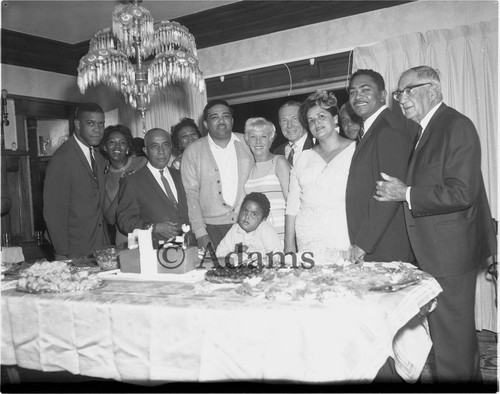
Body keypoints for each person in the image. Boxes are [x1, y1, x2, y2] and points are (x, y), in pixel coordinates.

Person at [374, 65, 497, 384]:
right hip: (439, 255)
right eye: (398, 93)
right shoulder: (429, 129)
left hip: (450, 258)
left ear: (433, 89)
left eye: (406, 90)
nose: (400, 99)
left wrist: (407, 192)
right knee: (452, 345)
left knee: (452, 349)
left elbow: (462, 192)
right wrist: (404, 191)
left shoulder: (455, 125)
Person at [346, 69, 413, 263]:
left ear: (382, 95)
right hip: (377, 242)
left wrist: (363, 243)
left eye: (365, 90)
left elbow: (389, 193)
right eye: (352, 92)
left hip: (386, 245)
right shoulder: (373, 129)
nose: (358, 96)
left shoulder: (388, 130)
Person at [284, 91, 355, 264]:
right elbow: (292, 204)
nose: (317, 123)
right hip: (308, 237)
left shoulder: (356, 151)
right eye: (311, 120)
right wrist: (288, 244)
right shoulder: (302, 157)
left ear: (335, 119)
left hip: (343, 233)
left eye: (322, 116)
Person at [181, 99, 254, 251]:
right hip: (212, 230)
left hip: (248, 226)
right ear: (206, 124)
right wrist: (200, 232)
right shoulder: (193, 151)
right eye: (214, 117)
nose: (221, 120)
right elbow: (191, 195)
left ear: (232, 121)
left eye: (226, 116)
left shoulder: (248, 143)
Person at [43, 102, 110, 258]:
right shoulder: (62, 158)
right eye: (91, 124)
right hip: (73, 250)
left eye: (101, 124)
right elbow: (54, 212)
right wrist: (62, 253)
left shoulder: (97, 155)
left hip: (100, 246)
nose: (98, 130)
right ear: (78, 124)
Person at [117, 128, 193, 247]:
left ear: (171, 148)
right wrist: (154, 227)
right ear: (145, 150)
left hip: (188, 247)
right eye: (154, 146)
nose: (161, 151)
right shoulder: (132, 181)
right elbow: (124, 221)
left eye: (165, 145)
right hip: (153, 251)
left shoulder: (182, 176)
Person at [100, 125, 147, 248]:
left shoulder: (143, 163)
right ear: (105, 147)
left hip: (150, 229)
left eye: (122, 142)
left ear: (127, 147)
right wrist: (124, 185)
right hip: (125, 236)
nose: (117, 147)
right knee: (131, 265)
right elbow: (110, 218)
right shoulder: (103, 177)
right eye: (112, 142)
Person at [244, 117, 290, 240]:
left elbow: (292, 203)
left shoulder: (279, 162)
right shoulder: (250, 169)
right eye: (253, 136)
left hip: (280, 232)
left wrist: (290, 239)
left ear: (271, 139)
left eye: (263, 136)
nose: (258, 141)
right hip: (258, 235)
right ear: (247, 140)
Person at [216, 192, 282, 260]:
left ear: (263, 219)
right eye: (245, 211)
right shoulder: (235, 229)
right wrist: (238, 256)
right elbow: (219, 253)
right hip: (240, 270)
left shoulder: (266, 230)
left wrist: (249, 251)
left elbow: (277, 257)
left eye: (254, 214)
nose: (247, 216)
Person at [273, 101, 314, 165]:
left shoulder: (317, 146)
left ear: (304, 120)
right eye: (284, 120)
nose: (289, 125)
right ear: (279, 124)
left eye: (294, 118)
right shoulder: (276, 152)